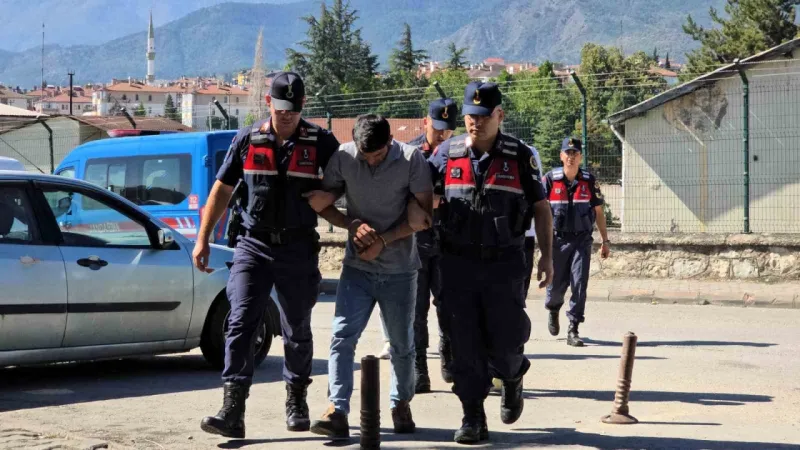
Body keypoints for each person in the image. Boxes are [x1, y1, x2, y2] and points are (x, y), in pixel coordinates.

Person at [192, 71, 341, 439]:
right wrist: (203, 239)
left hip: (297, 246)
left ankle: (296, 400)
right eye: (279, 108)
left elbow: (345, 181)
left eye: (292, 109)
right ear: (267, 102)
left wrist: (331, 197)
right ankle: (232, 409)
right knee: (240, 321)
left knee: (296, 328)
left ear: (302, 105)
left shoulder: (322, 142)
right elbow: (221, 190)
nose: (285, 115)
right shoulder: (247, 139)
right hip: (252, 244)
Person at [429, 81, 554, 444]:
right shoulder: (447, 154)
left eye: (484, 116)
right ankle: (473, 416)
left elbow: (541, 208)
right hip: (456, 262)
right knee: (463, 343)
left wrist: (547, 256)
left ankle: (512, 376)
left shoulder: (519, 155)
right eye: (471, 115)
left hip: (504, 263)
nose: (476, 122)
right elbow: (421, 196)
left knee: (506, 339)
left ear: (500, 115)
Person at [303, 114, 434, 439]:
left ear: (390, 142)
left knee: (401, 344)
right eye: (365, 155)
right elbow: (322, 202)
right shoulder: (344, 156)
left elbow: (423, 218)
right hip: (357, 268)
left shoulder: (411, 160)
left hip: (400, 270)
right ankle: (337, 410)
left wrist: (382, 241)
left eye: (377, 155)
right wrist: (350, 225)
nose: (371, 161)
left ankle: (400, 403)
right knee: (342, 336)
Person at [406, 97, 458, 392]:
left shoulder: (458, 152)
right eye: (437, 128)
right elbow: (401, 196)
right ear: (425, 122)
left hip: (449, 239)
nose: (442, 135)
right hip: (418, 240)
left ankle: (449, 355)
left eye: (448, 130)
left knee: (449, 304)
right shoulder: (410, 153)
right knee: (417, 309)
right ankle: (419, 367)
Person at [543, 137, 610, 347]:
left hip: (582, 240)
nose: (571, 157)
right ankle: (553, 308)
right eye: (568, 153)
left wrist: (605, 240)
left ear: (580, 157)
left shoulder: (589, 180)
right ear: (561, 156)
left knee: (579, 283)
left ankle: (573, 327)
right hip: (558, 240)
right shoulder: (550, 179)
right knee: (556, 286)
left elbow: (598, 212)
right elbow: (540, 211)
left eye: (575, 154)